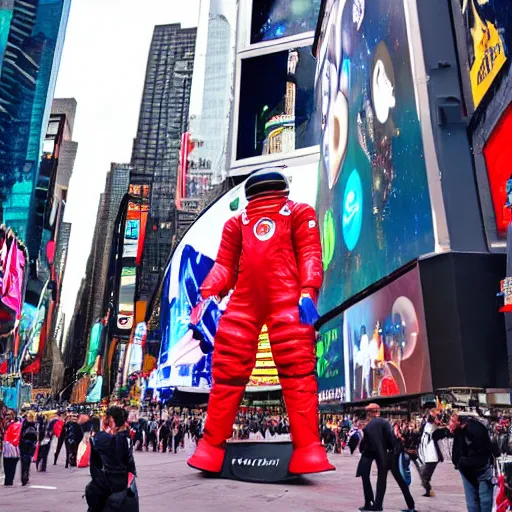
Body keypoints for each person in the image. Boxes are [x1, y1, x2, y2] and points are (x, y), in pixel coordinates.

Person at [188, 168, 334, 475]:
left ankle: (308, 448)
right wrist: (208, 294)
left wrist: (308, 290)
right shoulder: (237, 223)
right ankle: (211, 447)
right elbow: (224, 267)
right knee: (229, 369)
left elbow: (309, 252)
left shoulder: (297, 213)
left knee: (296, 371)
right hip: (248, 300)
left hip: (286, 297)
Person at [85, 406, 138, 512]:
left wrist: (103, 427)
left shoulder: (111, 440)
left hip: (111, 490)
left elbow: (97, 440)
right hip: (123, 487)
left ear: (111, 420)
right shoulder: (126, 437)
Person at [447, 413, 497, 512]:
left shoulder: (467, 430)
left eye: (451, 421)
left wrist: (459, 462)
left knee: (476, 502)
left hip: (477, 468)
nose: (449, 425)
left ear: (459, 422)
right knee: (483, 501)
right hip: (477, 467)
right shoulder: (472, 428)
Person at [356, 404, 394, 511]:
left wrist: (362, 449)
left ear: (370, 413)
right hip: (382, 453)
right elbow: (391, 440)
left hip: (369, 452)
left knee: (364, 474)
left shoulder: (368, 425)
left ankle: (369, 502)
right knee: (382, 478)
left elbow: (364, 442)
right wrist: (389, 448)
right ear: (378, 412)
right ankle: (378, 504)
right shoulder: (386, 423)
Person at [390, 423, 416, 512]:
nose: (397, 431)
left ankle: (411, 507)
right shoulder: (394, 440)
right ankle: (411, 506)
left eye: (397, 429)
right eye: (395, 429)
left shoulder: (398, 442)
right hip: (393, 464)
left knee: (403, 484)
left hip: (396, 465)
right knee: (403, 484)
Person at [418, 412, 443, 497]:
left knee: (424, 476)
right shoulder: (427, 427)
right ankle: (428, 490)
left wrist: (435, 419)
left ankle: (429, 491)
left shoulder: (431, 428)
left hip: (431, 457)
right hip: (428, 456)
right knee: (424, 475)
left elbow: (433, 427)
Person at [19, 411, 38, 486]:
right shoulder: (31, 425)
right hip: (26, 445)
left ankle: (25, 477)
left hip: (27, 445)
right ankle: (25, 477)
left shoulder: (26, 424)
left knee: (25, 462)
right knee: (25, 462)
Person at [2, 410, 21, 486]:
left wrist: (14, 443)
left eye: (9, 414)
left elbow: (18, 435)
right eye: (7, 414)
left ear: (13, 415)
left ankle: (9, 481)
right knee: (6, 465)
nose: (7, 416)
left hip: (13, 448)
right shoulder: (5, 423)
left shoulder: (17, 424)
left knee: (12, 465)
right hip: (6, 448)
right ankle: (7, 480)